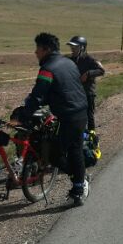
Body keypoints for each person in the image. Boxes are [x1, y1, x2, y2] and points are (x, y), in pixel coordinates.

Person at [19, 33, 90, 206]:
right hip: (81, 111)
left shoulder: (48, 69)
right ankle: (79, 188)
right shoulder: (69, 63)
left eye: (38, 48)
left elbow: (38, 95)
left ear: (46, 49)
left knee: (54, 154)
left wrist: (23, 115)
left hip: (68, 115)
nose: (36, 52)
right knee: (75, 150)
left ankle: (79, 182)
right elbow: (62, 88)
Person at [66, 36, 105, 132]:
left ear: (82, 48)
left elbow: (101, 70)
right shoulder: (70, 60)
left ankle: (92, 136)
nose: (72, 49)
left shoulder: (89, 59)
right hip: (74, 93)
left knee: (89, 115)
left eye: (75, 47)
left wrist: (88, 74)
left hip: (88, 93)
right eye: (71, 47)